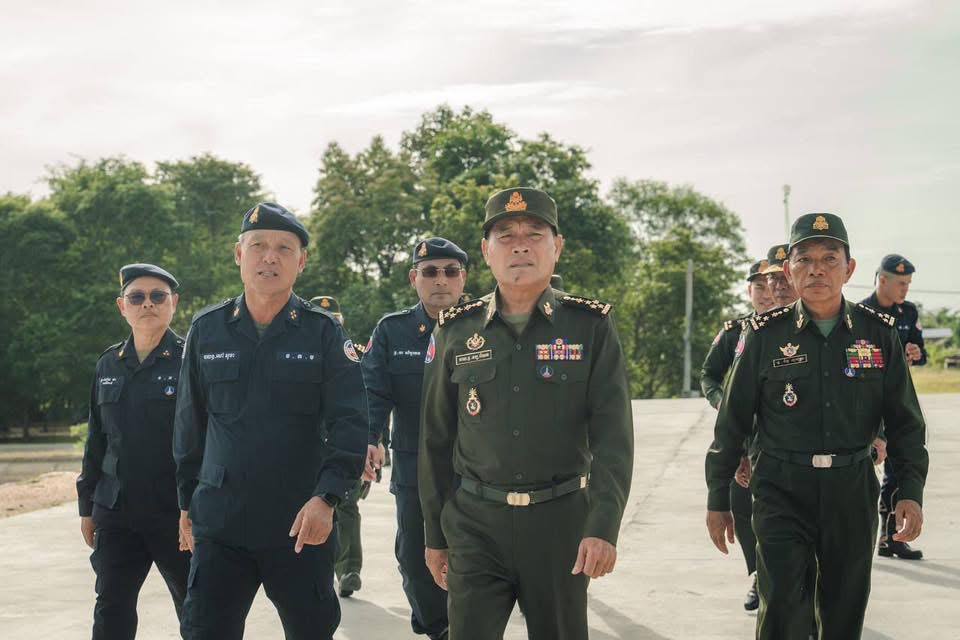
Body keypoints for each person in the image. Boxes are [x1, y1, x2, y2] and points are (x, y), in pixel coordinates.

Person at [419, 187, 634, 640]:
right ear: (486, 251)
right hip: (476, 524)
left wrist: (602, 526)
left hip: (560, 525)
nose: (520, 245)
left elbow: (613, 437)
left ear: (557, 247)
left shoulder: (589, 326)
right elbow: (435, 439)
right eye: (506, 235)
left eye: (535, 234)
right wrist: (435, 534)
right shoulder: (456, 330)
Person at [705, 213, 929, 639]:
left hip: (851, 488)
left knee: (844, 611)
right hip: (781, 488)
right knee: (782, 608)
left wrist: (910, 491)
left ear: (850, 268)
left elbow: (905, 423)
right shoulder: (762, 335)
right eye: (804, 259)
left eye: (829, 259)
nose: (816, 270)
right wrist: (718, 497)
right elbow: (731, 422)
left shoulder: (878, 334)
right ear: (789, 270)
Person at [173, 202, 369, 640]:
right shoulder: (207, 330)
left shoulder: (322, 332)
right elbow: (190, 425)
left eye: (284, 248)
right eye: (258, 246)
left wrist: (328, 499)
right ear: (238, 254)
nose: (270, 257)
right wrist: (186, 503)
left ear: (301, 261)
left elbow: (350, 423)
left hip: (300, 521)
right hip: (221, 520)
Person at [361, 237, 469, 640]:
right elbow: (373, 391)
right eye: (430, 271)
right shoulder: (393, 331)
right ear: (413, 278)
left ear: (463, 278)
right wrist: (370, 437)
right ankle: (438, 629)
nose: (441, 280)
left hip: (478, 469)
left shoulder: (486, 324)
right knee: (414, 558)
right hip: (415, 469)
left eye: (450, 271)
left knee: (476, 559)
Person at [76, 263, 190, 640]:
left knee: (196, 609)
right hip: (116, 512)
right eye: (137, 297)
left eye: (158, 296)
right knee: (111, 608)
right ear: (122, 306)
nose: (147, 304)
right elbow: (97, 440)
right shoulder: (108, 363)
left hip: (176, 513)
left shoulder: (192, 360)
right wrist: (87, 507)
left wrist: (200, 506)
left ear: (174, 302)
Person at [699, 258, 773, 611]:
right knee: (742, 504)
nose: (766, 293)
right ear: (749, 291)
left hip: (782, 436)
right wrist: (722, 402)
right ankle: (758, 572)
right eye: (759, 287)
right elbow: (709, 374)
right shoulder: (736, 332)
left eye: (772, 285)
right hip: (743, 431)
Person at [309, 294, 377, 597]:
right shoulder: (300, 353)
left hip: (344, 445)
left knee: (347, 505)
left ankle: (348, 570)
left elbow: (368, 405)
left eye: (335, 320)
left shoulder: (355, 356)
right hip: (309, 447)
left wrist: (372, 444)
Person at [863, 253, 927, 560]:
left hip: (896, 401)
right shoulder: (861, 313)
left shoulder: (908, 312)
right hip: (866, 402)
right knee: (865, 470)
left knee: (898, 469)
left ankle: (891, 537)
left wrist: (915, 352)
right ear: (882, 279)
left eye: (908, 283)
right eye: (901, 283)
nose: (905, 289)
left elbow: (920, 352)